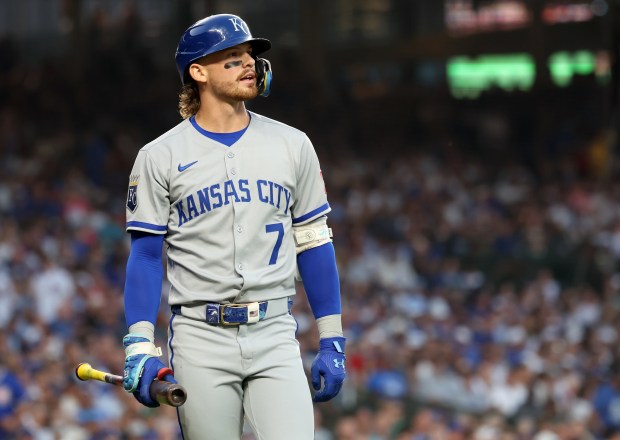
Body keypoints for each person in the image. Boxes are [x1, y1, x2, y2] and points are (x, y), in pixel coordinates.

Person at [121, 13, 346, 439]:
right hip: (200, 337)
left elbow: (315, 243)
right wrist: (138, 343)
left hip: (275, 331)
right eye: (231, 57)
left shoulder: (293, 144)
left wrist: (332, 337)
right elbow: (147, 257)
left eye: (248, 54)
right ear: (198, 71)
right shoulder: (159, 155)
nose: (247, 63)